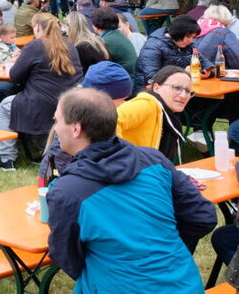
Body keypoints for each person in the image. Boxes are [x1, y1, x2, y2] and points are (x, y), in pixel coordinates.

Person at [46, 88, 215, 293]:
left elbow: (65, 255)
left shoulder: (67, 191)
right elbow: (202, 216)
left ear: (75, 129)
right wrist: (163, 249)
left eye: (57, 120)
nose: (55, 128)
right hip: (184, 285)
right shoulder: (153, 160)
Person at [0, 13, 82, 171]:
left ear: (36, 27)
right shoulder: (69, 46)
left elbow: (14, 75)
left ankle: (6, 159)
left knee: (4, 107)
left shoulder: (35, 46)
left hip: (39, 103)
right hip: (68, 102)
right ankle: (42, 148)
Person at [117, 65, 191, 161]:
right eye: (177, 88)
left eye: (188, 91)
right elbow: (108, 122)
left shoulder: (170, 114)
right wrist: (123, 157)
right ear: (156, 88)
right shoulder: (145, 105)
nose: (183, 95)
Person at [134, 14, 199, 90]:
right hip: (149, 91)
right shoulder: (153, 46)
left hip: (176, 86)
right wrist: (183, 73)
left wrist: (207, 70)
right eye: (188, 36)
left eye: (193, 37)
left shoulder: (186, 43)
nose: (191, 40)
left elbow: (201, 59)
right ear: (178, 33)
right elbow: (152, 78)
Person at [90, 7, 137, 82]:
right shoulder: (117, 35)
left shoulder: (106, 41)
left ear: (95, 26)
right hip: (129, 78)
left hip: (124, 81)